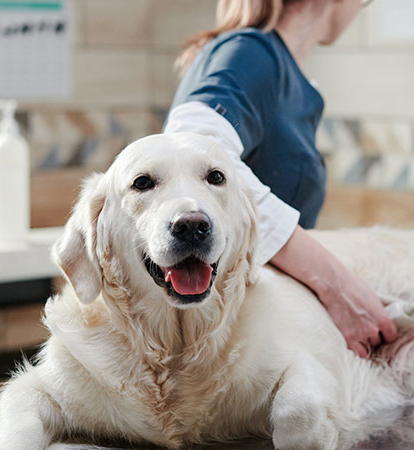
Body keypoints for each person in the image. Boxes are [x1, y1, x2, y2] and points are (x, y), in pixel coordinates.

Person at [163, 0, 397, 358]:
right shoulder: (250, 54)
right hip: (235, 348)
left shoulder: (272, 66)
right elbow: (191, 147)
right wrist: (336, 285)